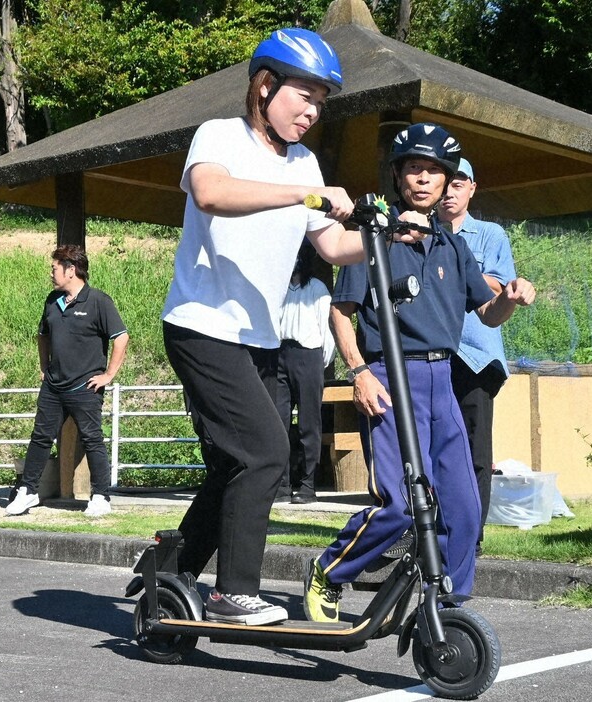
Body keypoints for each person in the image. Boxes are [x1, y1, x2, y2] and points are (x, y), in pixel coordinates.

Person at [160, 27, 432, 627]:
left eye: (320, 101)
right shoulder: (221, 136)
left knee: (233, 464)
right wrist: (303, 193)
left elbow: (333, 245)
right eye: (302, 96)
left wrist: (388, 235)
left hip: (256, 337)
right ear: (265, 85)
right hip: (203, 326)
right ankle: (234, 592)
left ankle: (169, 571)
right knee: (264, 451)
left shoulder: (306, 162)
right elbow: (210, 192)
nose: (311, 111)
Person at [303, 123, 536, 623]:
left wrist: (510, 300)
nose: (425, 178)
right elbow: (341, 311)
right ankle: (329, 570)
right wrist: (359, 371)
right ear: (398, 175)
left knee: (464, 506)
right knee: (401, 505)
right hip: (389, 377)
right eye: (414, 168)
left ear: (450, 179)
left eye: (435, 170)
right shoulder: (375, 235)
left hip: (442, 379)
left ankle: (448, 610)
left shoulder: (454, 246)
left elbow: (488, 312)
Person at [6, 245, 129, 518]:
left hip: (85, 387)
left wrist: (108, 375)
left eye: (54, 268)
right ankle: (28, 492)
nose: (51, 273)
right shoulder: (52, 300)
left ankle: (100, 496)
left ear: (70, 270)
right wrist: (43, 366)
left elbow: (121, 337)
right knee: (40, 438)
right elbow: (42, 335)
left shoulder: (99, 301)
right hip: (53, 386)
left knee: (92, 439)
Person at [437, 158, 518, 555]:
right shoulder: (418, 231)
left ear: (472, 188)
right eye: (445, 181)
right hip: (427, 356)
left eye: (459, 182)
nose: (450, 190)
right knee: (429, 448)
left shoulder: (489, 234)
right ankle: (432, 531)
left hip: (476, 358)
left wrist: (442, 274)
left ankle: (472, 535)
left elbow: (494, 287)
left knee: (475, 451)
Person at [275, 242, 335, 505]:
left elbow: (328, 332)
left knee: (310, 423)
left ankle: (308, 485)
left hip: (309, 356)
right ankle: (282, 484)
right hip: (279, 354)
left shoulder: (318, 290)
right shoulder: (278, 290)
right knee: (279, 422)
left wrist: (319, 364)